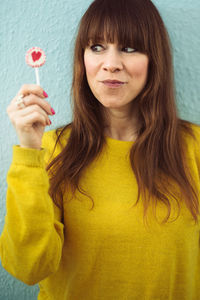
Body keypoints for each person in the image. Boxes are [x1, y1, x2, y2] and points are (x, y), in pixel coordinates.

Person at [0, 0, 200, 299]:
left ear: (154, 59)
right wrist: (29, 150)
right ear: (83, 59)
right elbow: (28, 269)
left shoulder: (193, 147)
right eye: (97, 47)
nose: (111, 63)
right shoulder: (51, 150)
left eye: (129, 48)